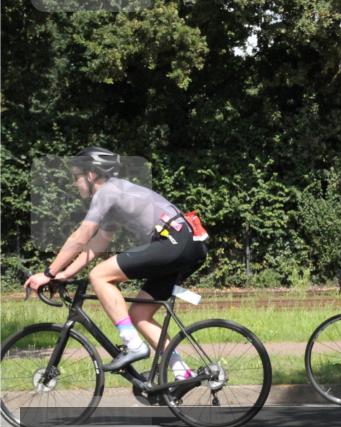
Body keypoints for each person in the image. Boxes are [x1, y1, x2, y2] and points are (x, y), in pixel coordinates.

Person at [23, 147, 207, 373]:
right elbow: (99, 242)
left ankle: (133, 344)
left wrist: (48, 273)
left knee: (99, 275)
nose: (74, 183)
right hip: (185, 243)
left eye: (76, 177)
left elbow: (81, 236)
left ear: (91, 175)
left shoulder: (107, 192)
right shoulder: (115, 194)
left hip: (174, 241)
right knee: (140, 315)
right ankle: (183, 373)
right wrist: (65, 274)